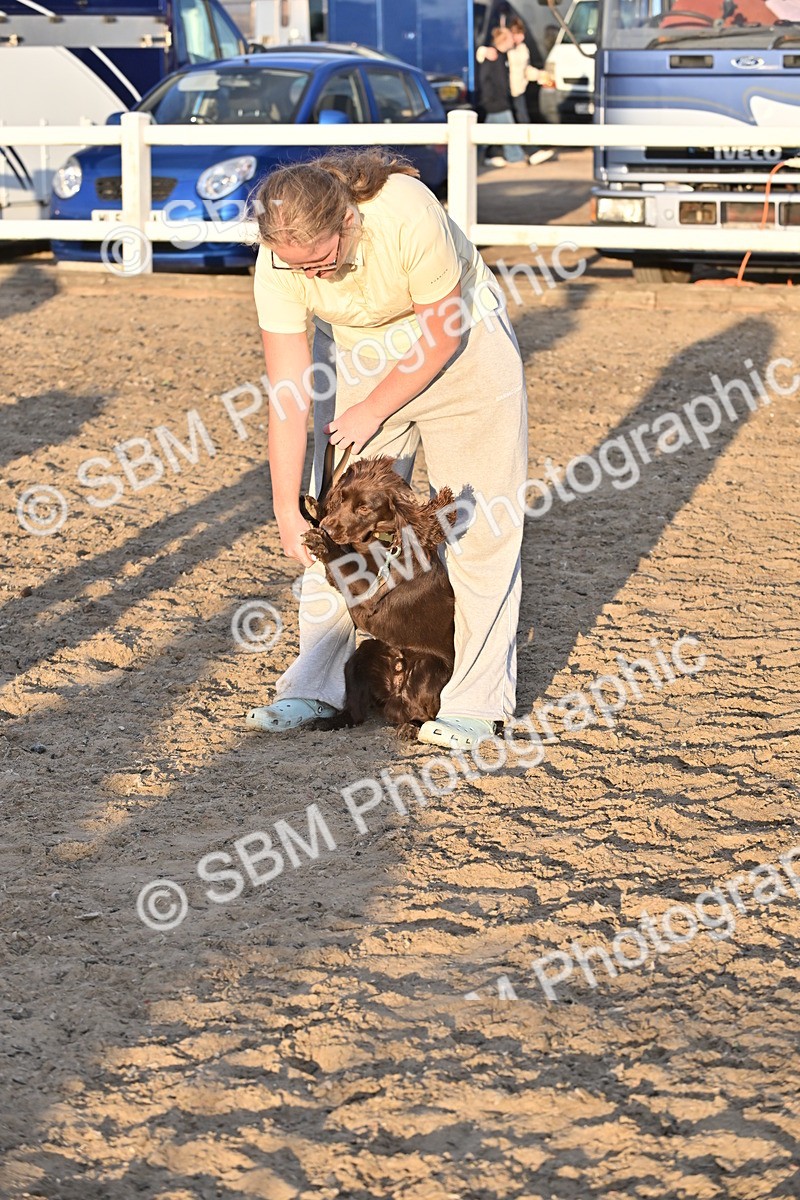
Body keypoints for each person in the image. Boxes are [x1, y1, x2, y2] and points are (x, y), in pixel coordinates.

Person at [244, 150, 528, 751]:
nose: (313, 277)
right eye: (299, 268)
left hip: (464, 347)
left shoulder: (405, 210)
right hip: (365, 357)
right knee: (334, 528)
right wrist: (284, 509)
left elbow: (442, 330)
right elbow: (289, 394)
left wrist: (373, 410)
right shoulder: (280, 264)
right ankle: (314, 684)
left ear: (347, 222)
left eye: (322, 261)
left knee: (477, 527)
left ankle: (478, 703)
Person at [478, 21, 554, 167]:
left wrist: (540, 75)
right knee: (509, 126)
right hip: (499, 99)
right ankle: (516, 157)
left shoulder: (516, 51)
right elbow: (483, 56)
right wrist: (482, 51)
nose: (520, 38)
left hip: (510, 94)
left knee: (491, 129)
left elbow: (523, 70)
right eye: (518, 34)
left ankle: (487, 154)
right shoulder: (497, 54)